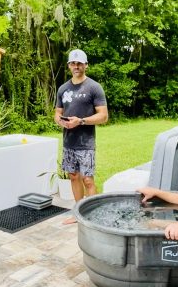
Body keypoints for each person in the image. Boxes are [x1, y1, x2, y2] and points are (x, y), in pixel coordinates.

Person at [55, 49, 108, 224]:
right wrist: (61, 122)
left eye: (80, 63)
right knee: (73, 176)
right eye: (73, 63)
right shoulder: (63, 88)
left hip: (86, 143)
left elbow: (103, 116)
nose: (76, 66)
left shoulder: (94, 87)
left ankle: (92, 216)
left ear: (86, 65)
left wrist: (81, 121)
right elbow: (57, 114)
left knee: (87, 179)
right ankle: (79, 214)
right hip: (68, 142)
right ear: (69, 65)